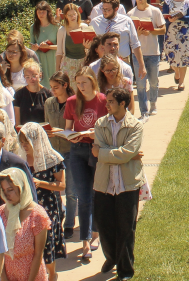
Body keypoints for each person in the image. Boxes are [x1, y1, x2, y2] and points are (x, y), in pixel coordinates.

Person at [92, 87, 146, 280]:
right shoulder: (100, 123)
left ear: (122, 103)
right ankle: (111, 257)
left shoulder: (135, 126)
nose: (106, 105)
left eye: (111, 102)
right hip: (104, 184)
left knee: (126, 228)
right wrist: (124, 155)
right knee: (104, 226)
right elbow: (121, 153)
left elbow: (125, 152)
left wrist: (106, 153)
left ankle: (125, 270)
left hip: (127, 185)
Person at [63, 66, 107, 260]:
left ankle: (97, 233)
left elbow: (109, 127)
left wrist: (94, 133)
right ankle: (85, 241)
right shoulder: (72, 102)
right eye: (78, 83)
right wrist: (70, 137)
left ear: (92, 81)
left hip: (97, 150)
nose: (81, 86)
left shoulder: (103, 100)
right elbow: (67, 129)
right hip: (78, 151)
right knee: (83, 196)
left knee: (97, 193)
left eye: (84, 82)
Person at [18, 123, 67, 280]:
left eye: (27, 142)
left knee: (47, 244)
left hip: (48, 206)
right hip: (26, 207)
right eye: (22, 142)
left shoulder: (53, 158)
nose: (24, 146)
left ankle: (52, 274)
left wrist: (40, 183)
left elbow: (62, 185)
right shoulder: (20, 160)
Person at [0, 168, 50, 281]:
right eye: (4, 190)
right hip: (7, 276)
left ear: (22, 187)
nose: (6, 194)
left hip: (32, 276)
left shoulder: (37, 214)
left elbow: (38, 253)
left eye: (10, 189)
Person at [43, 71, 78, 238]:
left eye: (56, 87)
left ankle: (70, 223)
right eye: (51, 88)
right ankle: (60, 215)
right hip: (53, 152)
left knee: (71, 190)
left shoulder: (75, 102)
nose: (53, 91)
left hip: (70, 150)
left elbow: (75, 129)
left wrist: (59, 132)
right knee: (55, 189)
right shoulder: (49, 102)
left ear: (65, 85)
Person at [127, 0, 165, 119]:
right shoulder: (131, 14)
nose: (140, 0)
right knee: (141, 84)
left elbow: (163, 29)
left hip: (153, 52)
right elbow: (128, 36)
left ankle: (153, 104)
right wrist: (136, 33)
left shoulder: (155, 11)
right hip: (138, 54)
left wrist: (152, 31)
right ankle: (144, 110)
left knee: (153, 81)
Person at [90, 0, 145, 82]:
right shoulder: (94, 23)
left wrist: (141, 65)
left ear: (116, 9)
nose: (104, 12)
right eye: (103, 9)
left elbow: (135, 44)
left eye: (107, 10)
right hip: (102, 64)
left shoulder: (127, 21)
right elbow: (91, 45)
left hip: (122, 62)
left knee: (123, 90)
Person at [163, 0, 189, 91]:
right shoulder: (167, 1)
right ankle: (176, 71)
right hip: (171, 32)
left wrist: (179, 17)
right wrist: (170, 20)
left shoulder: (188, 1)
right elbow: (164, 16)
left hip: (184, 33)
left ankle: (181, 82)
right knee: (171, 57)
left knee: (183, 57)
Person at [28, 2, 59, 85]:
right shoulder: (33, 27)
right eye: (39, 12)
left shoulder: (56, 26)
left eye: (43, 12)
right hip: (40, 58)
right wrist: (34, 48)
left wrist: (48, 46)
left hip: (53, 58)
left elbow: (61, 46)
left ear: (48, 12)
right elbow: (31, 46)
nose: (41, 14)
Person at [14, 60, 52, 125]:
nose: (31, 79)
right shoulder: (19, 94)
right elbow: (17, 121)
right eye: (27, 77)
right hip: (25, 131)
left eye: (34, 76)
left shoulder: (47, 94)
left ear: (40, 75)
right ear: (24, 77)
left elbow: (51, 118)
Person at [56, 3, 89, 77]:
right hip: (68, 63)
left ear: (77, 14)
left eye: (74, 14)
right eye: (69, 15)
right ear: (65, 16)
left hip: (83, 62)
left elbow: (91, 47)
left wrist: (87, 47)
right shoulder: (62, 30)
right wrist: (57, 71)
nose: (72, 17)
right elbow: (59, 53)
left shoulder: (85, 27)